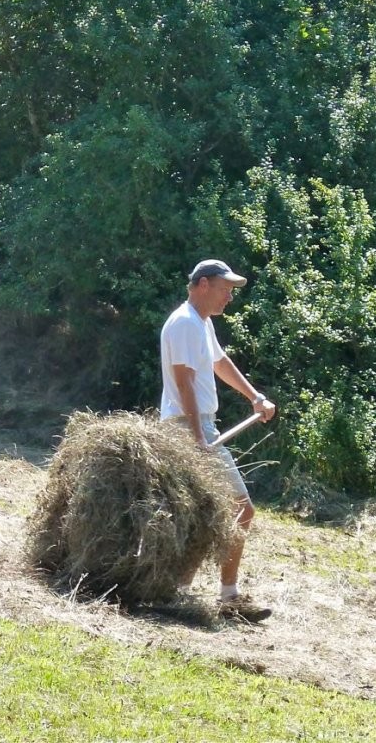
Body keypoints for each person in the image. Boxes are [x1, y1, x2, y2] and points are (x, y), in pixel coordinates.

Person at [160, 259, 277, 622]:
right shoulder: (183, 324)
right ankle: (228, 599)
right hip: (188, 427)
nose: (230, 296)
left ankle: (182, 589)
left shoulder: (200, 323)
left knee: (206, 513)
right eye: (226, 288)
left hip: (197, 426)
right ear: (204, 284)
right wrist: (197, 436)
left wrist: (254, 397)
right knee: (241, 509)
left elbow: (219, 361)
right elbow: (183, 382)